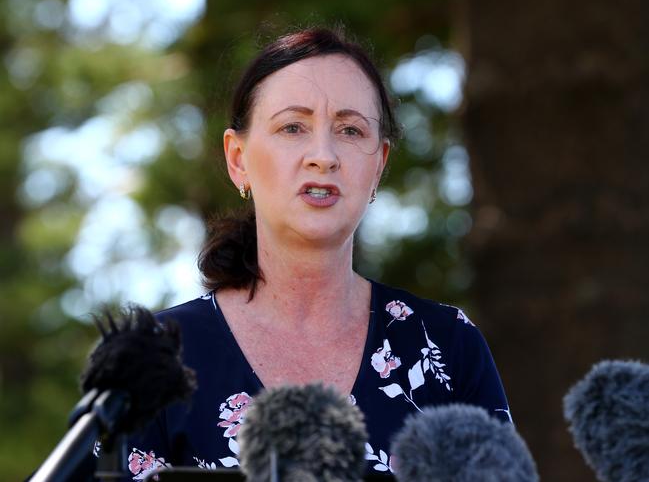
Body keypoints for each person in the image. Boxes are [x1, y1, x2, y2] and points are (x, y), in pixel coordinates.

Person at [123, 27, 511, 480]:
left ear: (379, 165)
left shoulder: (448, 347)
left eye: (350, 130)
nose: (323, 156)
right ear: (237, 158)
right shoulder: (155, 358)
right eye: (293, 127)